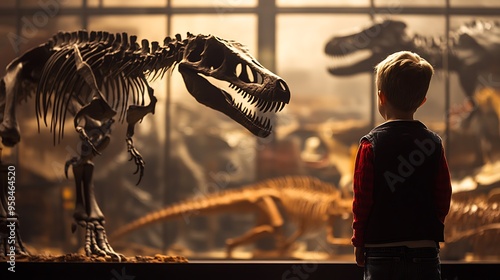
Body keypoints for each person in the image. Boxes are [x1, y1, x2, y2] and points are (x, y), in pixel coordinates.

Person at [351, 51, 452, 280]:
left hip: (380, 250)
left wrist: (359, 241)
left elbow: (362, 199)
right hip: (425, 251)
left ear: (381, 97)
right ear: (422, 101)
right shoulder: (434, 143)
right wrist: (432, 226)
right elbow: (443, 194)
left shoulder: (370, 145)